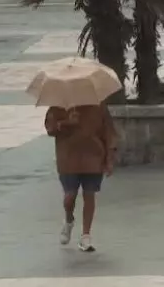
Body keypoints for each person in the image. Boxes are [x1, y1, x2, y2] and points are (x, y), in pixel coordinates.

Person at [44, 103, 117, 252]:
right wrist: (65, 122)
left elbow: (109, 133)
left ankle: (86, 235)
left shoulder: (99, 106)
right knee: (69, 196)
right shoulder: (59, 105)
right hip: (68, 159)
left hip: (93, 157)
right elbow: (50, 129)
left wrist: (109, 159)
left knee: (89, 195)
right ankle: (69, 219)